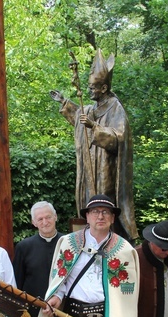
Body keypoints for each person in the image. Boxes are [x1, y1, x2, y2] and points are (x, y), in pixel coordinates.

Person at [50, 49, 137, 241]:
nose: (89, 91)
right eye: (88, 87)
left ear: (104, 88)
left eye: (93, 88)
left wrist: (95, 127)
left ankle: (111, 238)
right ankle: (90, 236)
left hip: (107, 170)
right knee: (89, 201)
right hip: (90, 171)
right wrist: (64, 101)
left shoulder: (115, 107)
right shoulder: (90, 109)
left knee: (105, 203)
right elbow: (78, 116)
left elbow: (118, 138)